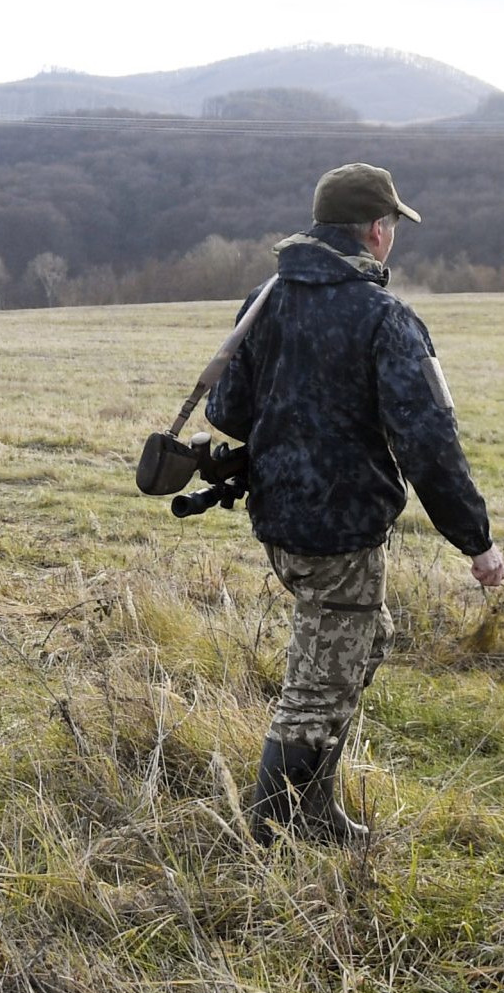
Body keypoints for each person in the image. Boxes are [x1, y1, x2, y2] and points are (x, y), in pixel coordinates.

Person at [207, 162, 504, 847]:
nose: (391, 236)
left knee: (362, 641)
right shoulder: (384, 318)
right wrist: (477, 543)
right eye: (391, 225)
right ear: (376, 229)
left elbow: (228, 409)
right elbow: (427, 443)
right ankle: (278, 831)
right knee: (317, 685)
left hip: (277, 524)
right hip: (338, 537)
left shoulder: (264, 297)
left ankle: (314, 811)